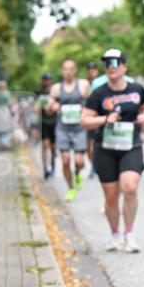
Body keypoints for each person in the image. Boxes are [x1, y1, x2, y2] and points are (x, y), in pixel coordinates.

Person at [81, 49, 144, 254]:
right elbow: (84, 120)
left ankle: (129, 235)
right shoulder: (99, 93)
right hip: (105, 148)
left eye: (115, 62)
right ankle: (114, 236)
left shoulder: (137, 89)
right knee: (111, 197)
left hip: (131, 146)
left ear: (124, 67)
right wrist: (104, 119)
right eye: (107, 63)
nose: (111, 66)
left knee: (129, 187)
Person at [48, 59, 91, 200]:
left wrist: (85, 109)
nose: (68, 72)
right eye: (65, 69)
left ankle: (78, 173)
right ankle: (71, 188)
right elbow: (49, 107)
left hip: (79, 129)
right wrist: (52, 107)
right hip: (63, 129)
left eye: (71, 69)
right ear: (62, 71)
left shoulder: (83, 85)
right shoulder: (56, 88)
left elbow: (91, 105)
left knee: (79, 161)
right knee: (65, 160)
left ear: (75, 70)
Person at [37, 73, 57, 177]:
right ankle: (45, 169)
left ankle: (53, 167)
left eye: (48, 80)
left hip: (54, 122)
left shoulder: (56, 92)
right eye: (45, 80)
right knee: (45, 146)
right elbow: (36, 108)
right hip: (44, 123)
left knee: (54, 148)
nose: (46, 82)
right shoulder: (38, 93)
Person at [85, 61, 101, 178]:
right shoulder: (84, 84)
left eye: (94, 70)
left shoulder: (101, 83)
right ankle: (93, 165)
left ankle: (94, 168)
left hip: (98, 119)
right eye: (90, 70)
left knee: (95, 144)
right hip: (88, 119)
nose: (92, 72)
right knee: (88, 146)